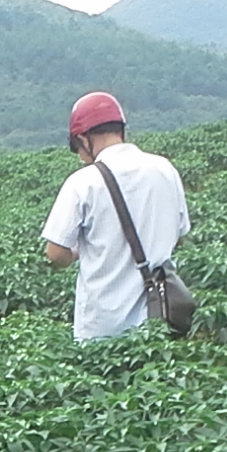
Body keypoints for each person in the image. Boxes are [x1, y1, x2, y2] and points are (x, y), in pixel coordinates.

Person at [41, 91, 189, 342]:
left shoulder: (83, 182)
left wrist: (78, 252)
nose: (79, 155)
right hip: (159, 318)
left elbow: (55, 254)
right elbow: (180, 236)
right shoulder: (165, 168)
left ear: (84, 138)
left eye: (77, 147)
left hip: (103, 326)